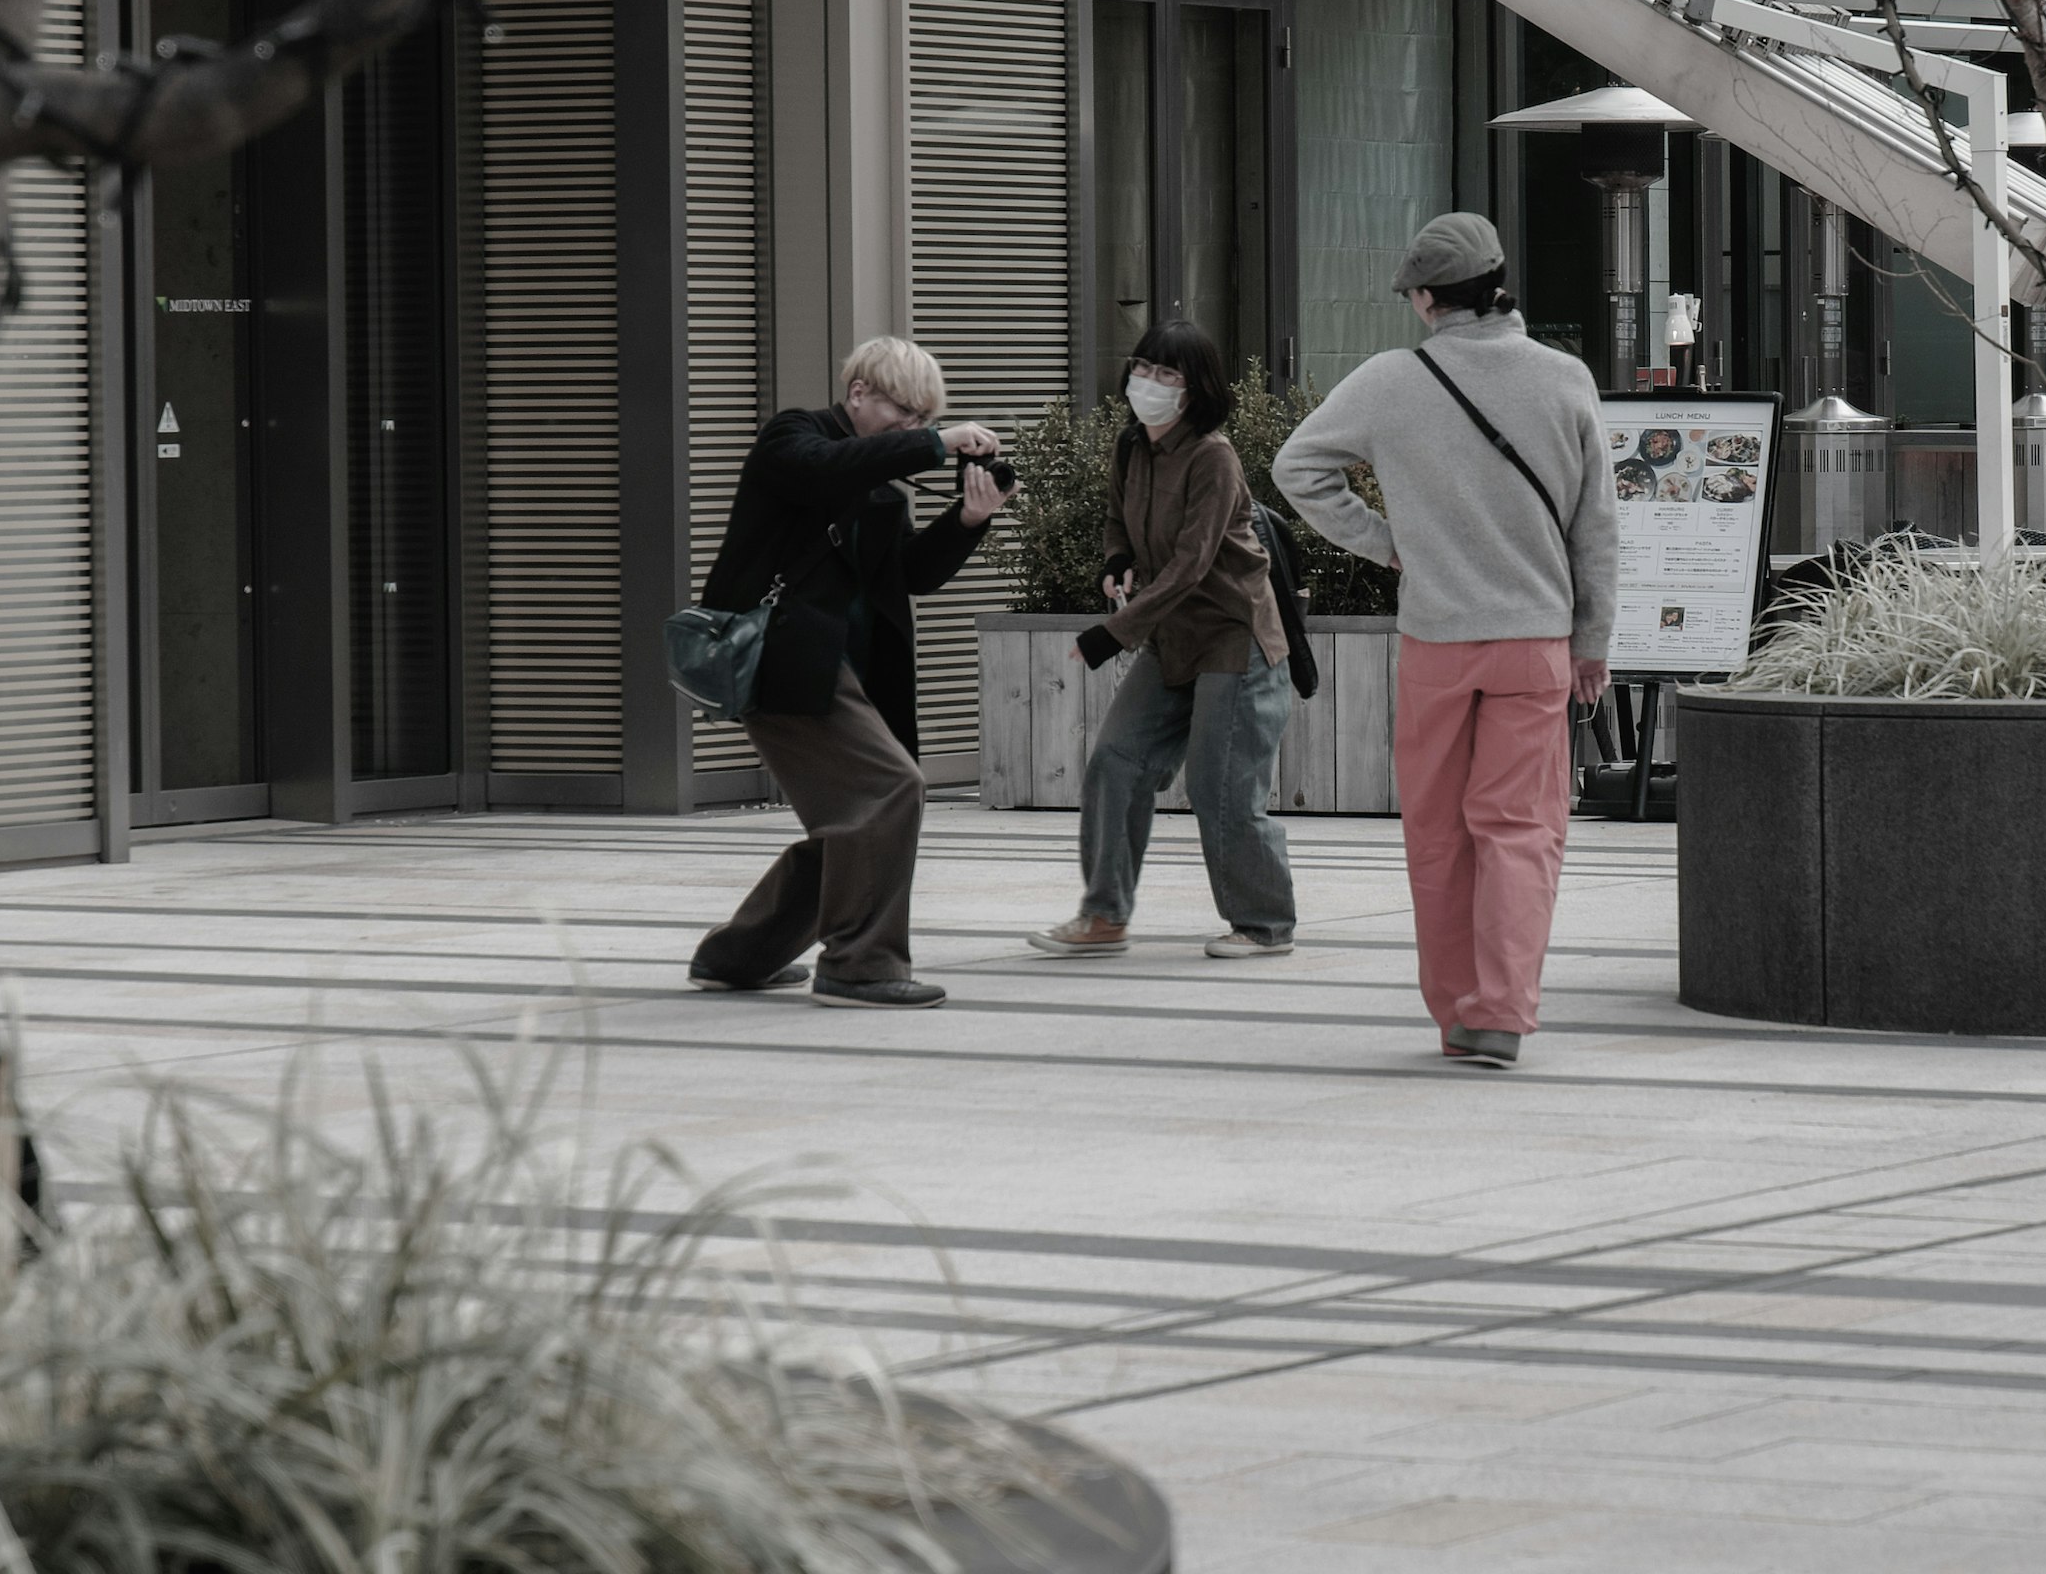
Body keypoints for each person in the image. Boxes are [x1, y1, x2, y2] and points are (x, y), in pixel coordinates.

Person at [1274, 214, 1613, 1068]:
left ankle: (1457, 1008)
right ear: (1499, 282)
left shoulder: (1390, 381)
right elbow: (1596, 528)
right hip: (1535, 640)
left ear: (1427, 300)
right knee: (1520, 828)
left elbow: (1297, 468)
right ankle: (1501, 1011)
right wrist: (1592, 642)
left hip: (1435, 637)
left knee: (1437, 829)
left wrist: (1389, 543)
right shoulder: (1564, 378)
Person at [687, 335, 1007, 1008]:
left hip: (843, 675)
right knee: (890, 793)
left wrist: (969, 519)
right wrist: (937, 444)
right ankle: (861, 964)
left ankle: (737, 956)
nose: (914, 428)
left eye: (925, 418)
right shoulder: (793, 439)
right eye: (906, 412)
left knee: (855, 822)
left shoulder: (881, 493)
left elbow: (911, 576)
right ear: (858, 393)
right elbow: (822, 470)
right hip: (779, 664)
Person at [1030, 322, 1303, 963]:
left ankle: (1264, 925)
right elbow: (1115, 520)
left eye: (1169, 376)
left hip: (1235, 638)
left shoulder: (1214, 457)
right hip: (1171, 637)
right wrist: (1116, 558)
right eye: (1144, 369)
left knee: (1220, 788)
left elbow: (1193, 564)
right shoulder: (1132, 447)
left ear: (1195, 390)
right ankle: (1103, 916)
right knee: (1115, 764)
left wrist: (1108, 634)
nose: (1149, 384)